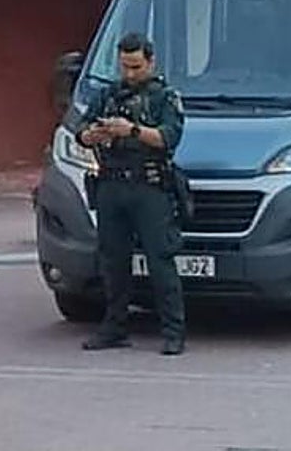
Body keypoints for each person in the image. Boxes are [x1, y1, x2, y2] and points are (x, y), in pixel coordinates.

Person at [75, 33, 187, 356]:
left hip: (148, 185)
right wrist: (91, 135)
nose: (130, 73)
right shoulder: (109, 94)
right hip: (111, 183)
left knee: (160, 259)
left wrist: (132, 131)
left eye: (136, 67)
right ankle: (114, 327)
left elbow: (168, 138)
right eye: (124, 66)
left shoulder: (165, 96)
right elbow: (80, 129)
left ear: (151, 62)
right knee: (112, 260)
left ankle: (173, 331)